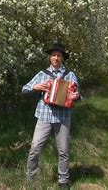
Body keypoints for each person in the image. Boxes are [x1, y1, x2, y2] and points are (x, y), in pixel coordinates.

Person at [22, 43, 80, 189]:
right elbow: (24, 89)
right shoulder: (42, 74)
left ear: (62, 58)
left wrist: (76, 96)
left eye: (59, 55)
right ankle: (31, 177)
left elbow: (78, 95)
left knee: (64, 151)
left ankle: (63, 181)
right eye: (53, 55)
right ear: (50, 57)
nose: (56, 57)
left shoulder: (70, 75)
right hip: (44, 116)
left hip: (63, 117)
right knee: (35, 148)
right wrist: (35, 87)